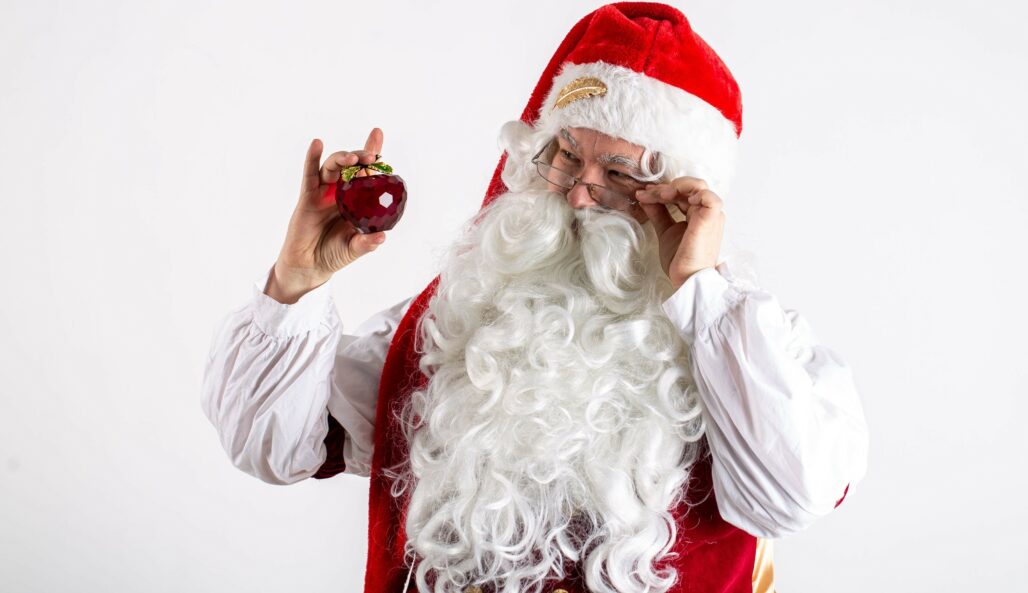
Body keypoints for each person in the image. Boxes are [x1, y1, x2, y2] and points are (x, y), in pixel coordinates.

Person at [200, 4, 869, 593]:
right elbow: (273, 444)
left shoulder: (750, 349)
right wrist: (296, 278)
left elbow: (789, 496)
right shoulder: (455, 324)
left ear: (682, 200)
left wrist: (698, 291)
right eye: (566, 157)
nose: (579, 194)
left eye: (618, 176)